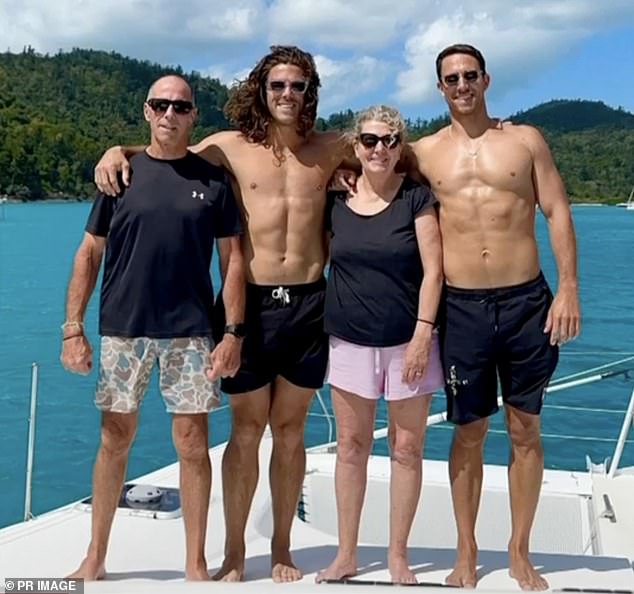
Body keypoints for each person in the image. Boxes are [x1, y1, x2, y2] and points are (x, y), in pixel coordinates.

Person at [93, 46, 351, 583]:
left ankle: (281, 547)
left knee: (292, 430)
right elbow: (166, 150)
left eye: (297, 86)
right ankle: (233, 550)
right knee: (246, 430)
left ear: (310, 93)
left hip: (307, 303)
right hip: (250, 306)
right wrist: (115, 149)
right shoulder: (227, 149)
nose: (286, 94)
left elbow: (401, 155)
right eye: (277, 85)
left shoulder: (332, 148)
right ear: (262, 89)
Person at [408, 44, 581, 590]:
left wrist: (568, 289)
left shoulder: (525, 141)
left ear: (486, 79)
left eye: (469, 75)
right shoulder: (423, 153)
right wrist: (130, 147)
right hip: (462, 309)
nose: (461, 85)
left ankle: (519, 549)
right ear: (439, 88)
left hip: (528, 302)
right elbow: (352, 160)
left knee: (525, 429)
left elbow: (555, 209)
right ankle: (466, 549)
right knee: (469, 431)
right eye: (451, 78)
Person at [61, 74, 245, 581]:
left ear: (192, 116)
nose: (169, 113)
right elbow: (89, 253)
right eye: (160, 104)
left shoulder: (212, 182)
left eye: (180, 107)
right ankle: (95, 556)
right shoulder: (119, 175)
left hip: (190, 332)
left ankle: (195, 561)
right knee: (114, 439)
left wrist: (233, 332)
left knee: (191, 443)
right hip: (123, 329)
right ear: (146, 111)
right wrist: (72, 328)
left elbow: (232, 263)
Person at [315, 105, 444, 584]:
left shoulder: (417, 199)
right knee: (350, 447)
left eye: (390, 141)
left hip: (408, 342)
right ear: (356, 146)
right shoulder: (336, 204)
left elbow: (435, 270)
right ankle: (346, 553)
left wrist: (422, 333)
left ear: (400, 146)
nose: (379, 149)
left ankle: (397, 556)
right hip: (349, 341)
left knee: (407, 450)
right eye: (370, 140)